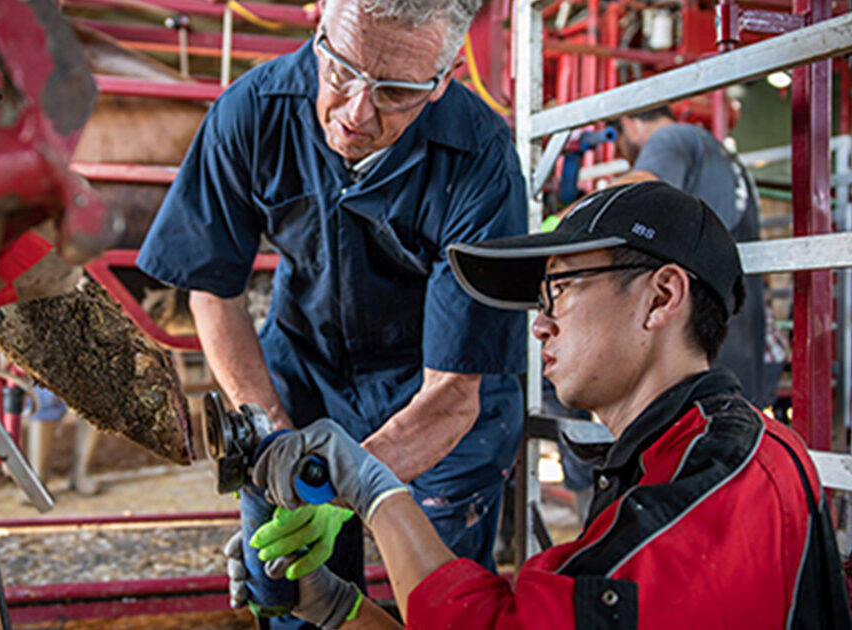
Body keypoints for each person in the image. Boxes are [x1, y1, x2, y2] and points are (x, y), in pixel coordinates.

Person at [237, 182, 851, 628]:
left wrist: (377, 494)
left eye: (560, 288)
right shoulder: (677, 462)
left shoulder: (714, 484)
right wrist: (337, 609)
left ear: (662, 296)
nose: (541, 326)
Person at [137, 0, 528, 615]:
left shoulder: (482, 158)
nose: (355, 113)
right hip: (302, 371)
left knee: (445, 604)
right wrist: (270, 435)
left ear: (444, 77)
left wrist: (346, 488)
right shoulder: (251, 111)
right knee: (291, 590)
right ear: (319, 27)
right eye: (342, 69)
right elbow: (212, 287)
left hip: (439, 391)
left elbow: (453, 393)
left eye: (396, 91)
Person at [610, 106, 777, 407]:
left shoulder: (669, 137)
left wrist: (564, 221)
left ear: (629, 123)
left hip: (704, 335)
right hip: (740, 331)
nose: (625, 155)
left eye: (620, 145)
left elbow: (639, 187)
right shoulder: (720, 154)